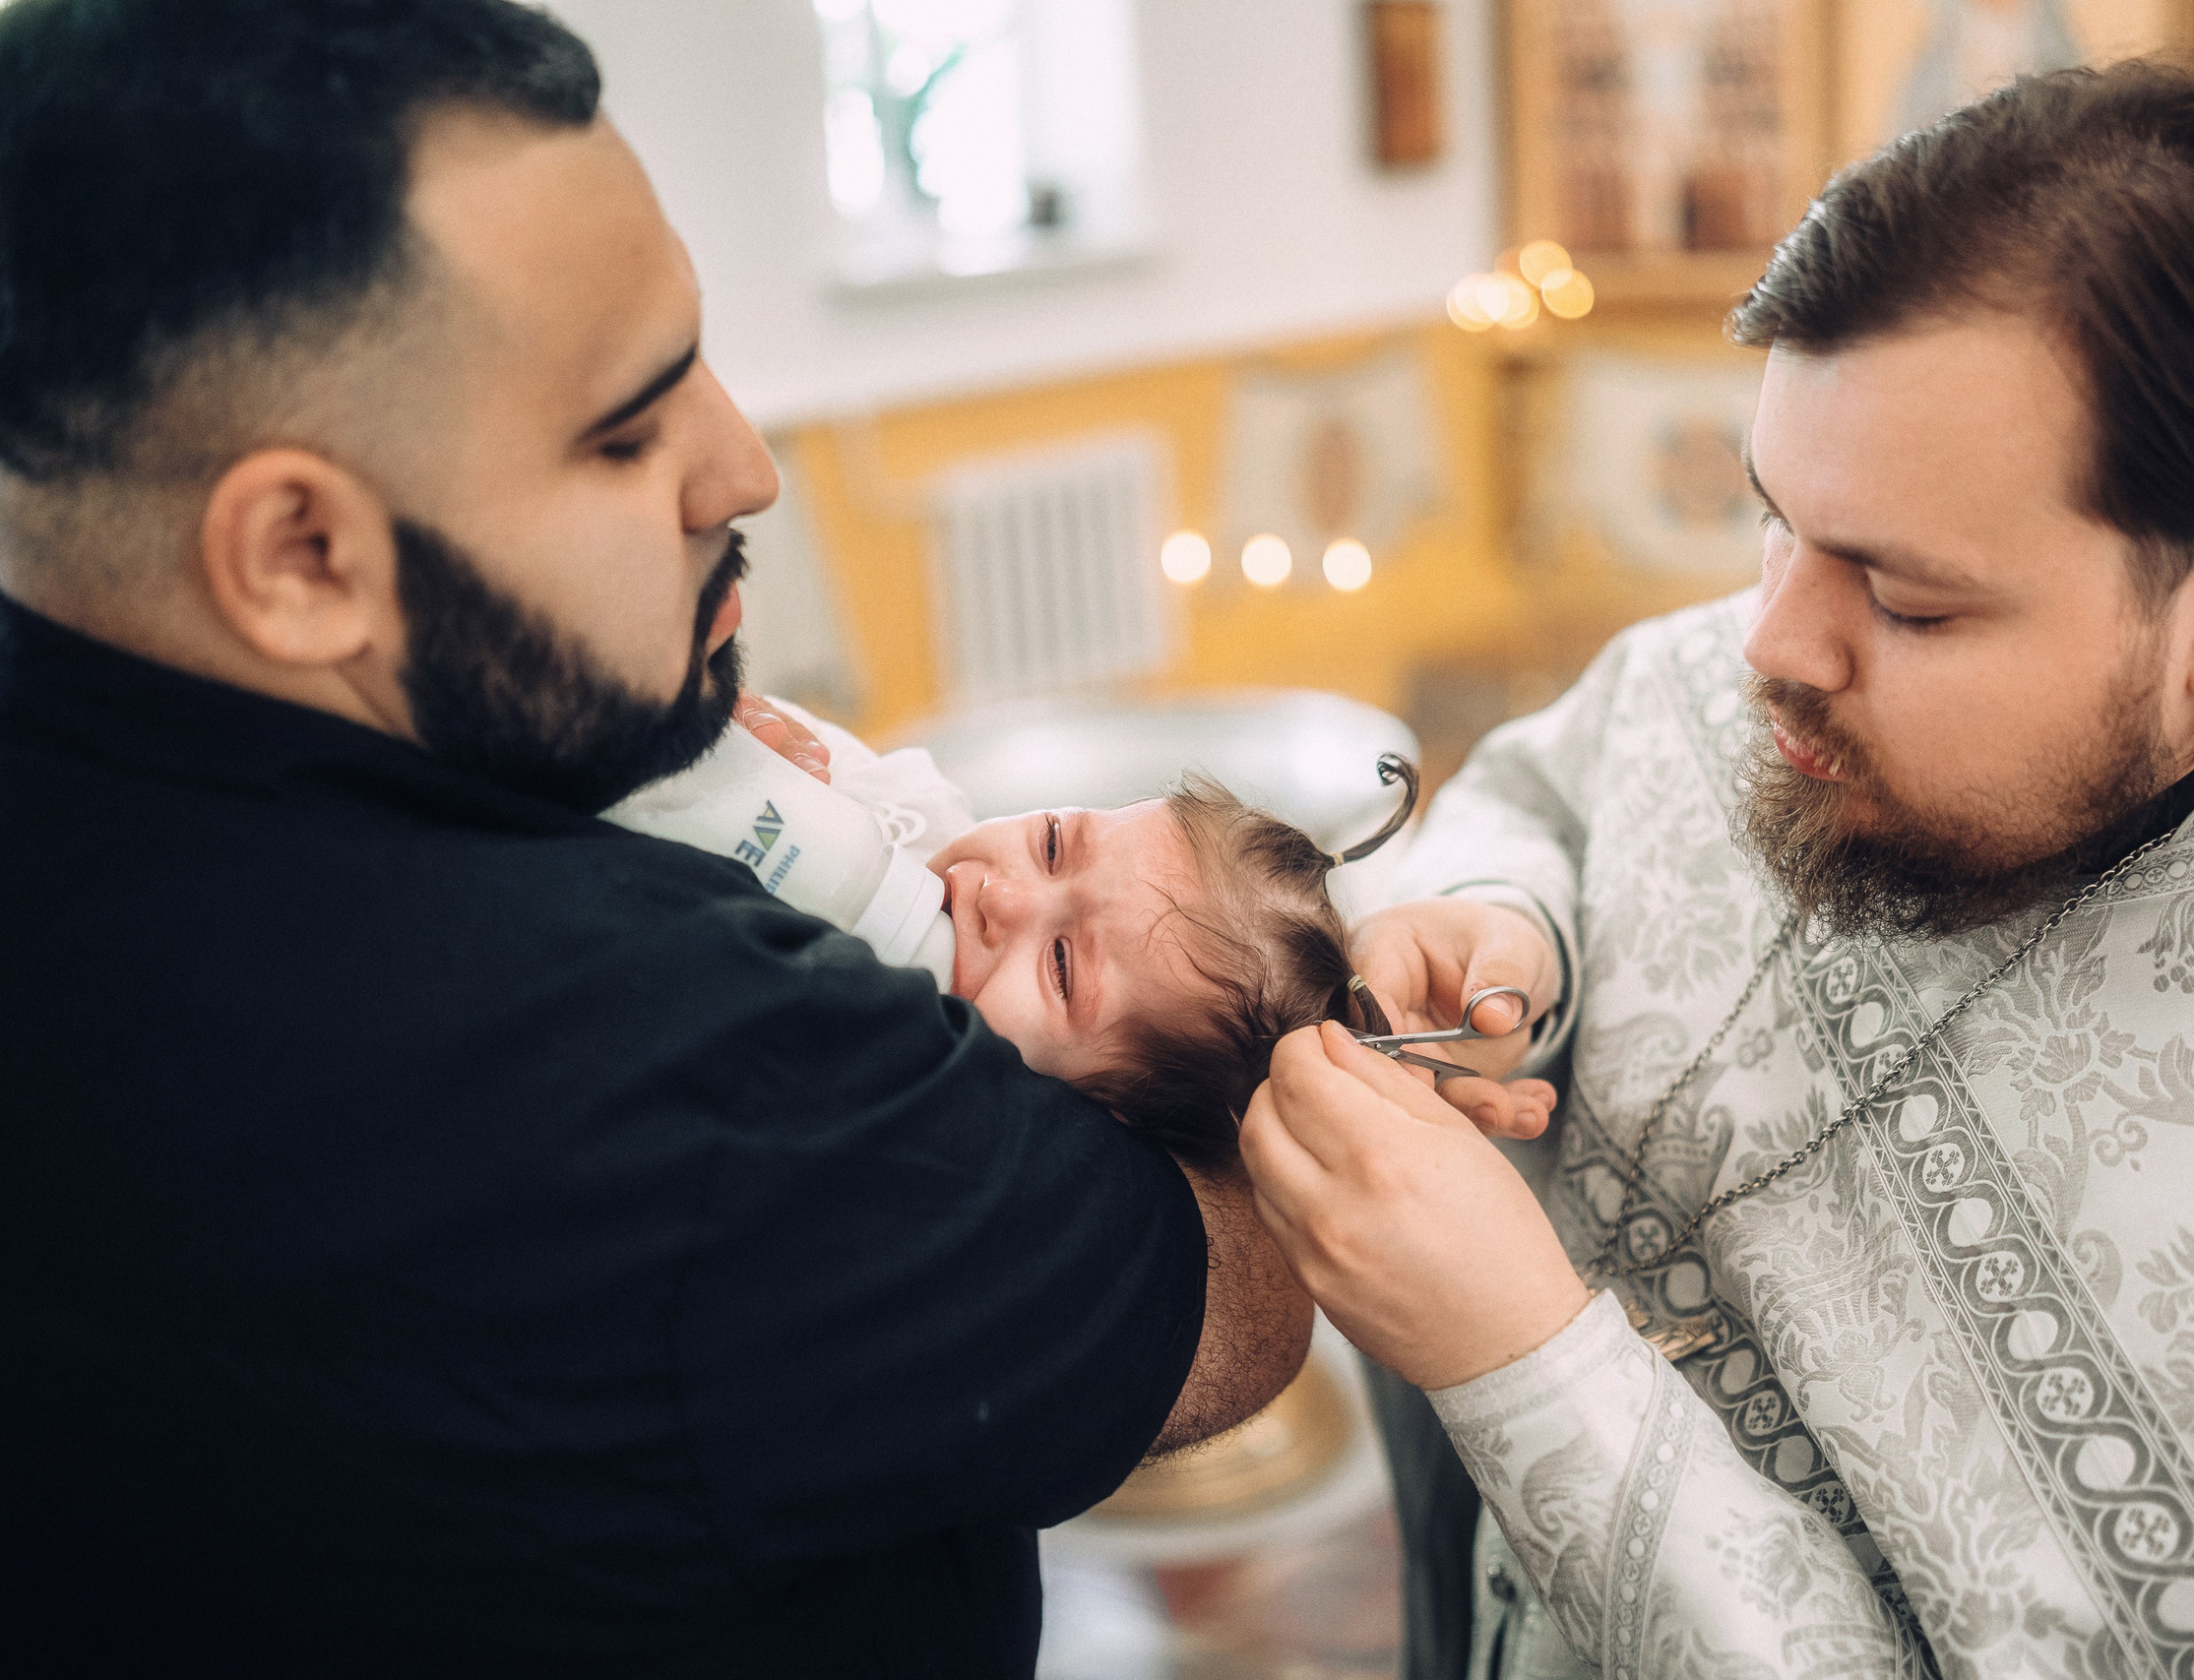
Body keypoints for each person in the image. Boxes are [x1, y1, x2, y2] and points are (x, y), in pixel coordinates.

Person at [0, 0, 1374, 1671]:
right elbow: (1228, 1310)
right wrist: (1255, 1069)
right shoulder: (700, 1069)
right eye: (629, 426)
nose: (742, 468)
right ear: (301, 555)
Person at [1242, 60, 2194, 1679]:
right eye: (1776, 520)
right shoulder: (1775, 658)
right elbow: (1551, 786)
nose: (1769, 644)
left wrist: (1520, 1359)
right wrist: (1506, 919)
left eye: (1907, 601)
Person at [611, 697, 1558, 1157]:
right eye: (1054, 842)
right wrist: (768, 751)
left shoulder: (939, 1114)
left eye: (1062, 966)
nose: (1002, 896)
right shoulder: (908, 814)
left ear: (1105, 1113)